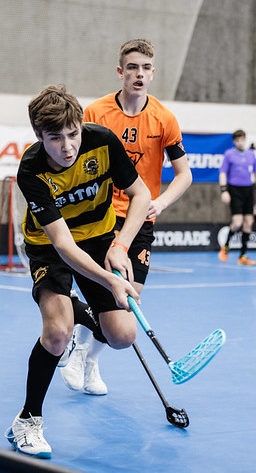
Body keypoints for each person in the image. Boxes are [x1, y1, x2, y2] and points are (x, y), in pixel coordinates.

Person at [5, 85, 150, 458]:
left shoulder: (102, 141)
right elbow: (64, 245)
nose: (68, 146)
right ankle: (27, 420)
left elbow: (142, 195)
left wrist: (120, 246)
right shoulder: (31, 170)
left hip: (100, 238)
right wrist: (112, 280)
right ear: (39, 135)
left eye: (73, 134)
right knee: (57, 332)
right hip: (50, 247)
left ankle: (76, 311)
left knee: (122, 336)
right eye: (56, 138)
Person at [58, 38, 192, 396]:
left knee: (127, 300)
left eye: (146, 68)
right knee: (111, 292)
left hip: (140, 218)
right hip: (102, 216)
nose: (139, 74)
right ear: (121, 72)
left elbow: (184, 174)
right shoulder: (96, 113)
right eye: (132, 67)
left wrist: (160, 203)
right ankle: (80, 352)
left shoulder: (164, 119)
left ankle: (88, 357)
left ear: (153, 73)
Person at [218, 129, 256, 265]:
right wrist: (224, 190)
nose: (240, 142)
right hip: (234, 190)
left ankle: (243, 256)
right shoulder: (229, 154)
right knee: (237, 223)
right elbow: (222, 173)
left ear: (245, 139)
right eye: (237, 140)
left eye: (242, 140)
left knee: (249, 222)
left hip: (248, 190)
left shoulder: (251, 155)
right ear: (234, 141)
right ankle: (226, 246)